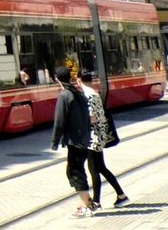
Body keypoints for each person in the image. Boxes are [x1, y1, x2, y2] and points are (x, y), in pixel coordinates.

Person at [49, 66, 95, 219]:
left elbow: (60, 120)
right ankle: (87, 202)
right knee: (77, 170)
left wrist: (55, 141)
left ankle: (86, 206)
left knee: (75, 172)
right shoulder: (78, 92)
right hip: (83, 138)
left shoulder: (64, 95)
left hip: (75, 140)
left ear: (57, 79)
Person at [79, 71, 128, 209]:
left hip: (92, 137)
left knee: (94, 170)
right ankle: (121, 195)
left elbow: (92, 117)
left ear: (79, 80)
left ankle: (96, 202)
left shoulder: (88, 95)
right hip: (99, 135)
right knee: (101, 168)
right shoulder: (95, 93)